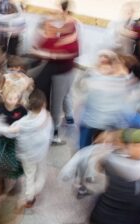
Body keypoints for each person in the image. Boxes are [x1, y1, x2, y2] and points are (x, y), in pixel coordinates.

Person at [0, 89, 53, 207]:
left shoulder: (23, 123)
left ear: (28, 104)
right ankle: (37, 188)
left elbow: (5, 132)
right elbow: (49, 134)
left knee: (29, 175)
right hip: (41, 152)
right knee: (41, 172)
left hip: (28, 155)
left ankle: (29, 197)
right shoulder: (46, 116)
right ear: (43, 104)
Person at [31, 1, 79, 144]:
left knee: (57, 103)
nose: (55, 12)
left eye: (58, 9)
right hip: (52, 68)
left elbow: (73, 51)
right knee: (49, 97)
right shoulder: (55, 27)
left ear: (65, 11)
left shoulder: (71, 26)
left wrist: (52, 54)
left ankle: (54, 134)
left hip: (63, 72)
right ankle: (48, 125)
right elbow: (40, 46)